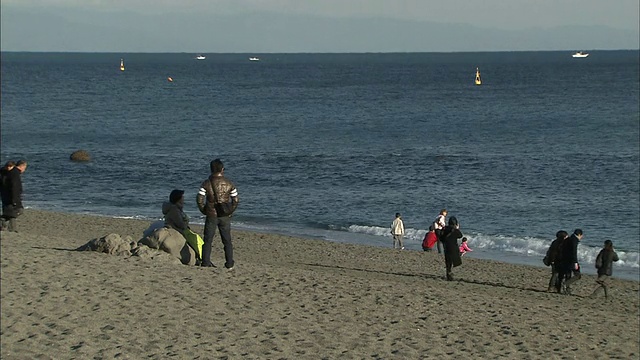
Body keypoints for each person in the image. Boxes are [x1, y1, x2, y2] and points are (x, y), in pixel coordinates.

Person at [196, 159, 239, 270]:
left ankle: (205, 262)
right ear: (222, 169)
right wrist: (230, 211)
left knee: (208, 240)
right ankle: (229, 263)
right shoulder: (229, 183)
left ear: (211, 169)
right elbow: (235, 200)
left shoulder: (206, 183)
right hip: (224, 215)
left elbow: (199, 199)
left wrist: (204, 210)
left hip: (211, 214)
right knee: (227, 240)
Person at [1, 160, 27, 232]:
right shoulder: (14, 173)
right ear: (22, 166)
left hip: (5, 195)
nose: (24, 170)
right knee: (18, 211)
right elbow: (15, 186)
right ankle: (3, 222)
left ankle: (11, 229)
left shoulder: (5, 172)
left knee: (11, 212)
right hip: (12, 196)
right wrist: (15, 199)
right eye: (24, 168)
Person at [559, 229, 584, 295]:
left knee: (568, 275)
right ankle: (566, 285)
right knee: (578, 275)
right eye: (581, 236)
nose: (581, 237)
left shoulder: (568, 239)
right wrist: (575, 262)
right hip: (571, 260)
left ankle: (567, 289)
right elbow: (574, 252)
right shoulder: (574, 241)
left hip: (565, 259)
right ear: (579, 235)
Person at [441, 216, 463, 281]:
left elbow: (441, 237)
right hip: (454, 247)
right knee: (456, 260)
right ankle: (450, 273)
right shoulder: (455, 230)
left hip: (446, 247)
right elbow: (460, 236)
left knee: (448, 261)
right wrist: (457, 228)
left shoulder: (445, 229)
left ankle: (448, 273)